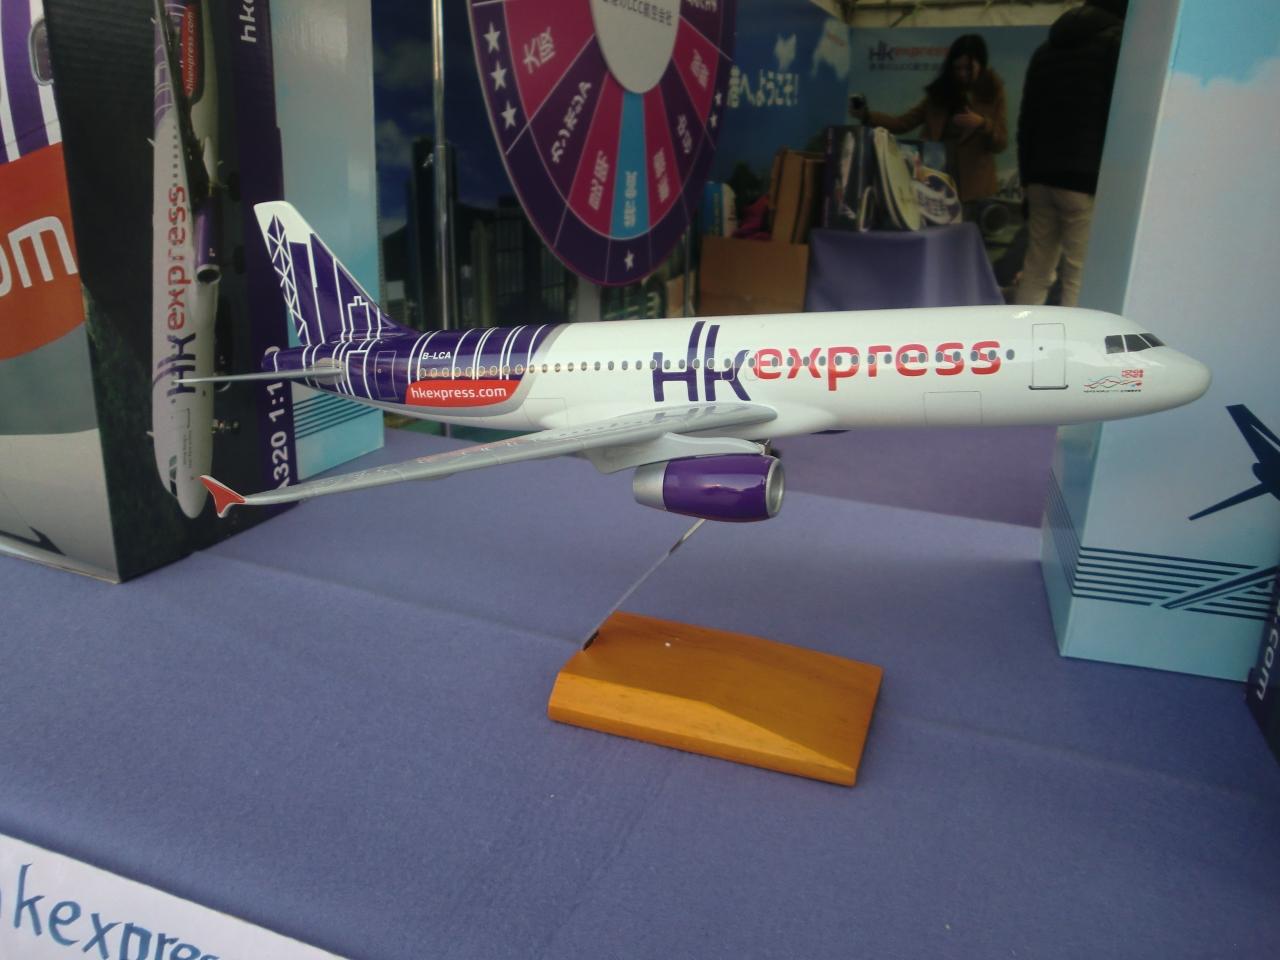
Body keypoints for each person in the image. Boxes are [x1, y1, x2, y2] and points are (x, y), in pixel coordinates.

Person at [1014, 0, 1127, 307]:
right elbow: (1117, 116)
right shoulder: (1117, 44)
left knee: (1036, 270)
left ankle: (1021, 331)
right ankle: (1077, 338)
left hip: (1039, 177)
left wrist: (1027, 179)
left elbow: (1026, 122)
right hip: (1084, 179)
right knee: (1078, 274)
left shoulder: (1044, 51)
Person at [854, 34, 1007, 202]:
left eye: (968, 68)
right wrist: (867, 116)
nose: (962, 74)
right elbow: (902, 123)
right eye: (957, 68)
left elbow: (1001, 143)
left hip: (976, 187)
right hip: (936, 179)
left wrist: (983, 124)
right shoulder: (939, 94)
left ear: (981, 64)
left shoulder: (993, 92)